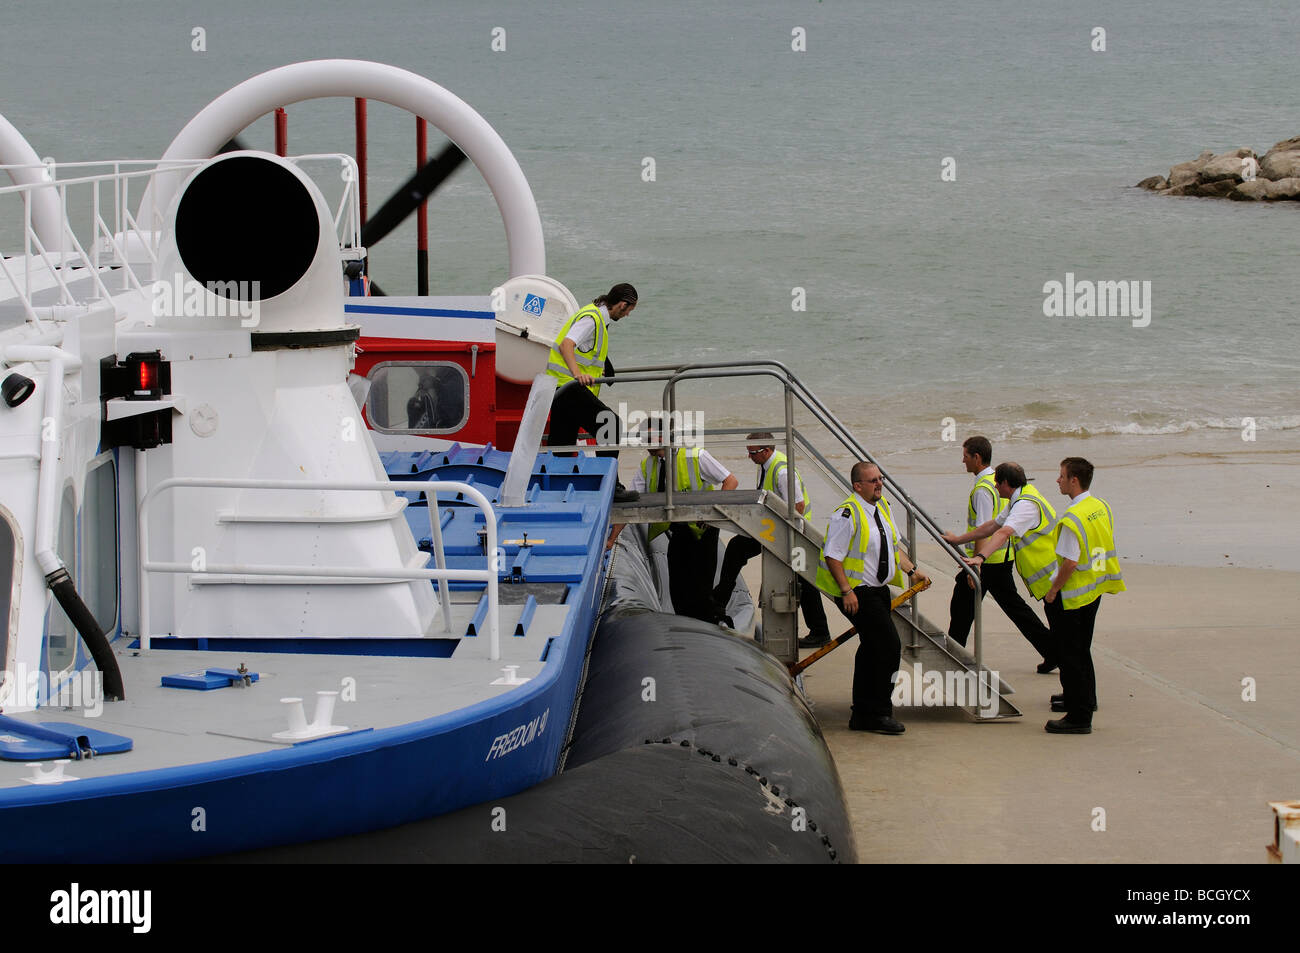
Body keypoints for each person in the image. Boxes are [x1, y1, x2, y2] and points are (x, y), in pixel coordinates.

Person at [815, 461, 929, 735]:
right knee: (888, 646)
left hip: (877, 589)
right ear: (857, 486)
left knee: (871, 647)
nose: (879, 484)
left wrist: (912, 570)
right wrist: (846, 591)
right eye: (873, 481)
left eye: (881, 479)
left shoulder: (882, 507)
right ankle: (877, 713)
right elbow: (833, 555)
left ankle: (862, 714)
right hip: (858, 591)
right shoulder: (846, 514)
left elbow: (892, 546)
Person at [942, 438, 1057, 673]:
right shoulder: (1004, 485)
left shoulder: (984, 489)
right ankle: (1052, 651)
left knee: (962, 609)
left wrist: (976, 563)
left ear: (977, 457)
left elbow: (992, 530)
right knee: (1016, 610)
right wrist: (958, 539)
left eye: (965, 455)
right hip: (1000, 560)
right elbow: (993, 525)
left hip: (989, 563)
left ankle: (953, 659)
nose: (962, 460)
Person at [608, 421, 739, 624]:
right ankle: (687, 625)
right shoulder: (647, 465)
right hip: (677, 532)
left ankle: (715, 623)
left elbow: (731, 481)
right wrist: (611, 539)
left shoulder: (695, 455)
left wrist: (712, 516)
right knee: (678, 588)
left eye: (652, 438)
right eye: (645, 439)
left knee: (700, 589)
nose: (649, 443)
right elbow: (630, 507)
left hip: (704, 531)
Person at [712, 433, 832, 647]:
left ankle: (820, 632)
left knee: (802, 578)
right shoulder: (766, 465)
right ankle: (721, 597)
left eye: (753, 453)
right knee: (739, 548)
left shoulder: (783, 471)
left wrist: (781, 534)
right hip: (774, 529)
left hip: (790, 532)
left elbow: (798, 506)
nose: (749, 457)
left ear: (766, 450)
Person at [1042, 457, 1126, 734]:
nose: (1058, 480)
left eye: (1061, 475)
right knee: (1082, 650)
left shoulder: (1071, 518)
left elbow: (1070, 563)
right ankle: (1086, 701)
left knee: (1071, 655)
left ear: (1073, 480)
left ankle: (1078, 716)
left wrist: (1053, 591)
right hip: (1095, 589)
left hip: (1073, 595)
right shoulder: (1100, 506)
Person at [545, 283, 639, 502]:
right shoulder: (592, 318)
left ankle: (557, 486)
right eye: (628, 311)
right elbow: (567, 345)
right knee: (611, 424)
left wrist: (605, 364)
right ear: (622, 304)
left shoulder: (597, 317)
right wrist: (578, 374)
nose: (626, 316)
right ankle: (610, 487)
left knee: (563, 440)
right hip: (568, 387)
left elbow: (585, 349)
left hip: (559, 387)